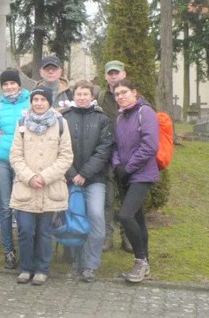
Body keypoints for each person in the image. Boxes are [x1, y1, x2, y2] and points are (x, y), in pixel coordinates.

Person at [9, 87, 73, 285]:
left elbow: (66, 156)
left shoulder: (61, 124)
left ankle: (42, 269)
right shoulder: (21, 124)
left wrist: (45, 177)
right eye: (35, 99)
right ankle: (26, 268)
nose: (38, 103)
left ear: (49, 102)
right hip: (26, 188)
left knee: (45, 231)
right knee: (25, 230)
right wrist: (29, 177)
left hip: (49, 187)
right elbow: (15, 155)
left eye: (42, 99)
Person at [62, 80, 113, 282]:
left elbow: (103, 150)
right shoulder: (64, 118)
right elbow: (60, 148)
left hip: (94, 179)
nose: (82, 97)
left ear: (92, 96)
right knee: (74, 218)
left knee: (95, 217)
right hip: (69, 178)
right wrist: (73, 173)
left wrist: (84, 173)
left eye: (86, 94)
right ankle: (76, 262)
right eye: (78, 94)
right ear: (73, 96)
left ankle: (90, 264)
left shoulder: (102, 119)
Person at [112, 79, 159, 283]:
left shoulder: (145, 112)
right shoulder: (120, 117)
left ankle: (140, 261)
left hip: (142, 174)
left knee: (125, 215)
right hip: (125, 175)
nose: (120, 96)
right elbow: (115, 146)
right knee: (138, 220)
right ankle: (145, 262)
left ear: (134, 92)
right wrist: (117, 166)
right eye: (117, 94)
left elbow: (150, 146)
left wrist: (128, 167)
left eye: (124, 92)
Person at [0, 68, 30, 269]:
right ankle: (8, 251)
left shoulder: (30, 103)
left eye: (12, 83)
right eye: (5, 84)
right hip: (0, 160)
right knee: (5, 207)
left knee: (22, 206)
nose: (9, 87)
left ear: (19, 84)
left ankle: (26, 248)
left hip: (23, 162)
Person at [98, 60, 132, 253]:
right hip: (108, 153)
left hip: (128, 155)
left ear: (123, 74)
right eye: (110, 73)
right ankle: (107, 237)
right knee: (108, 199)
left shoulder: (133, 96)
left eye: (116, 73)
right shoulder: (100, 97)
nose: (113, 76)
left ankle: (127, 237)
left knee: (128, 197)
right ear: (105, 76)